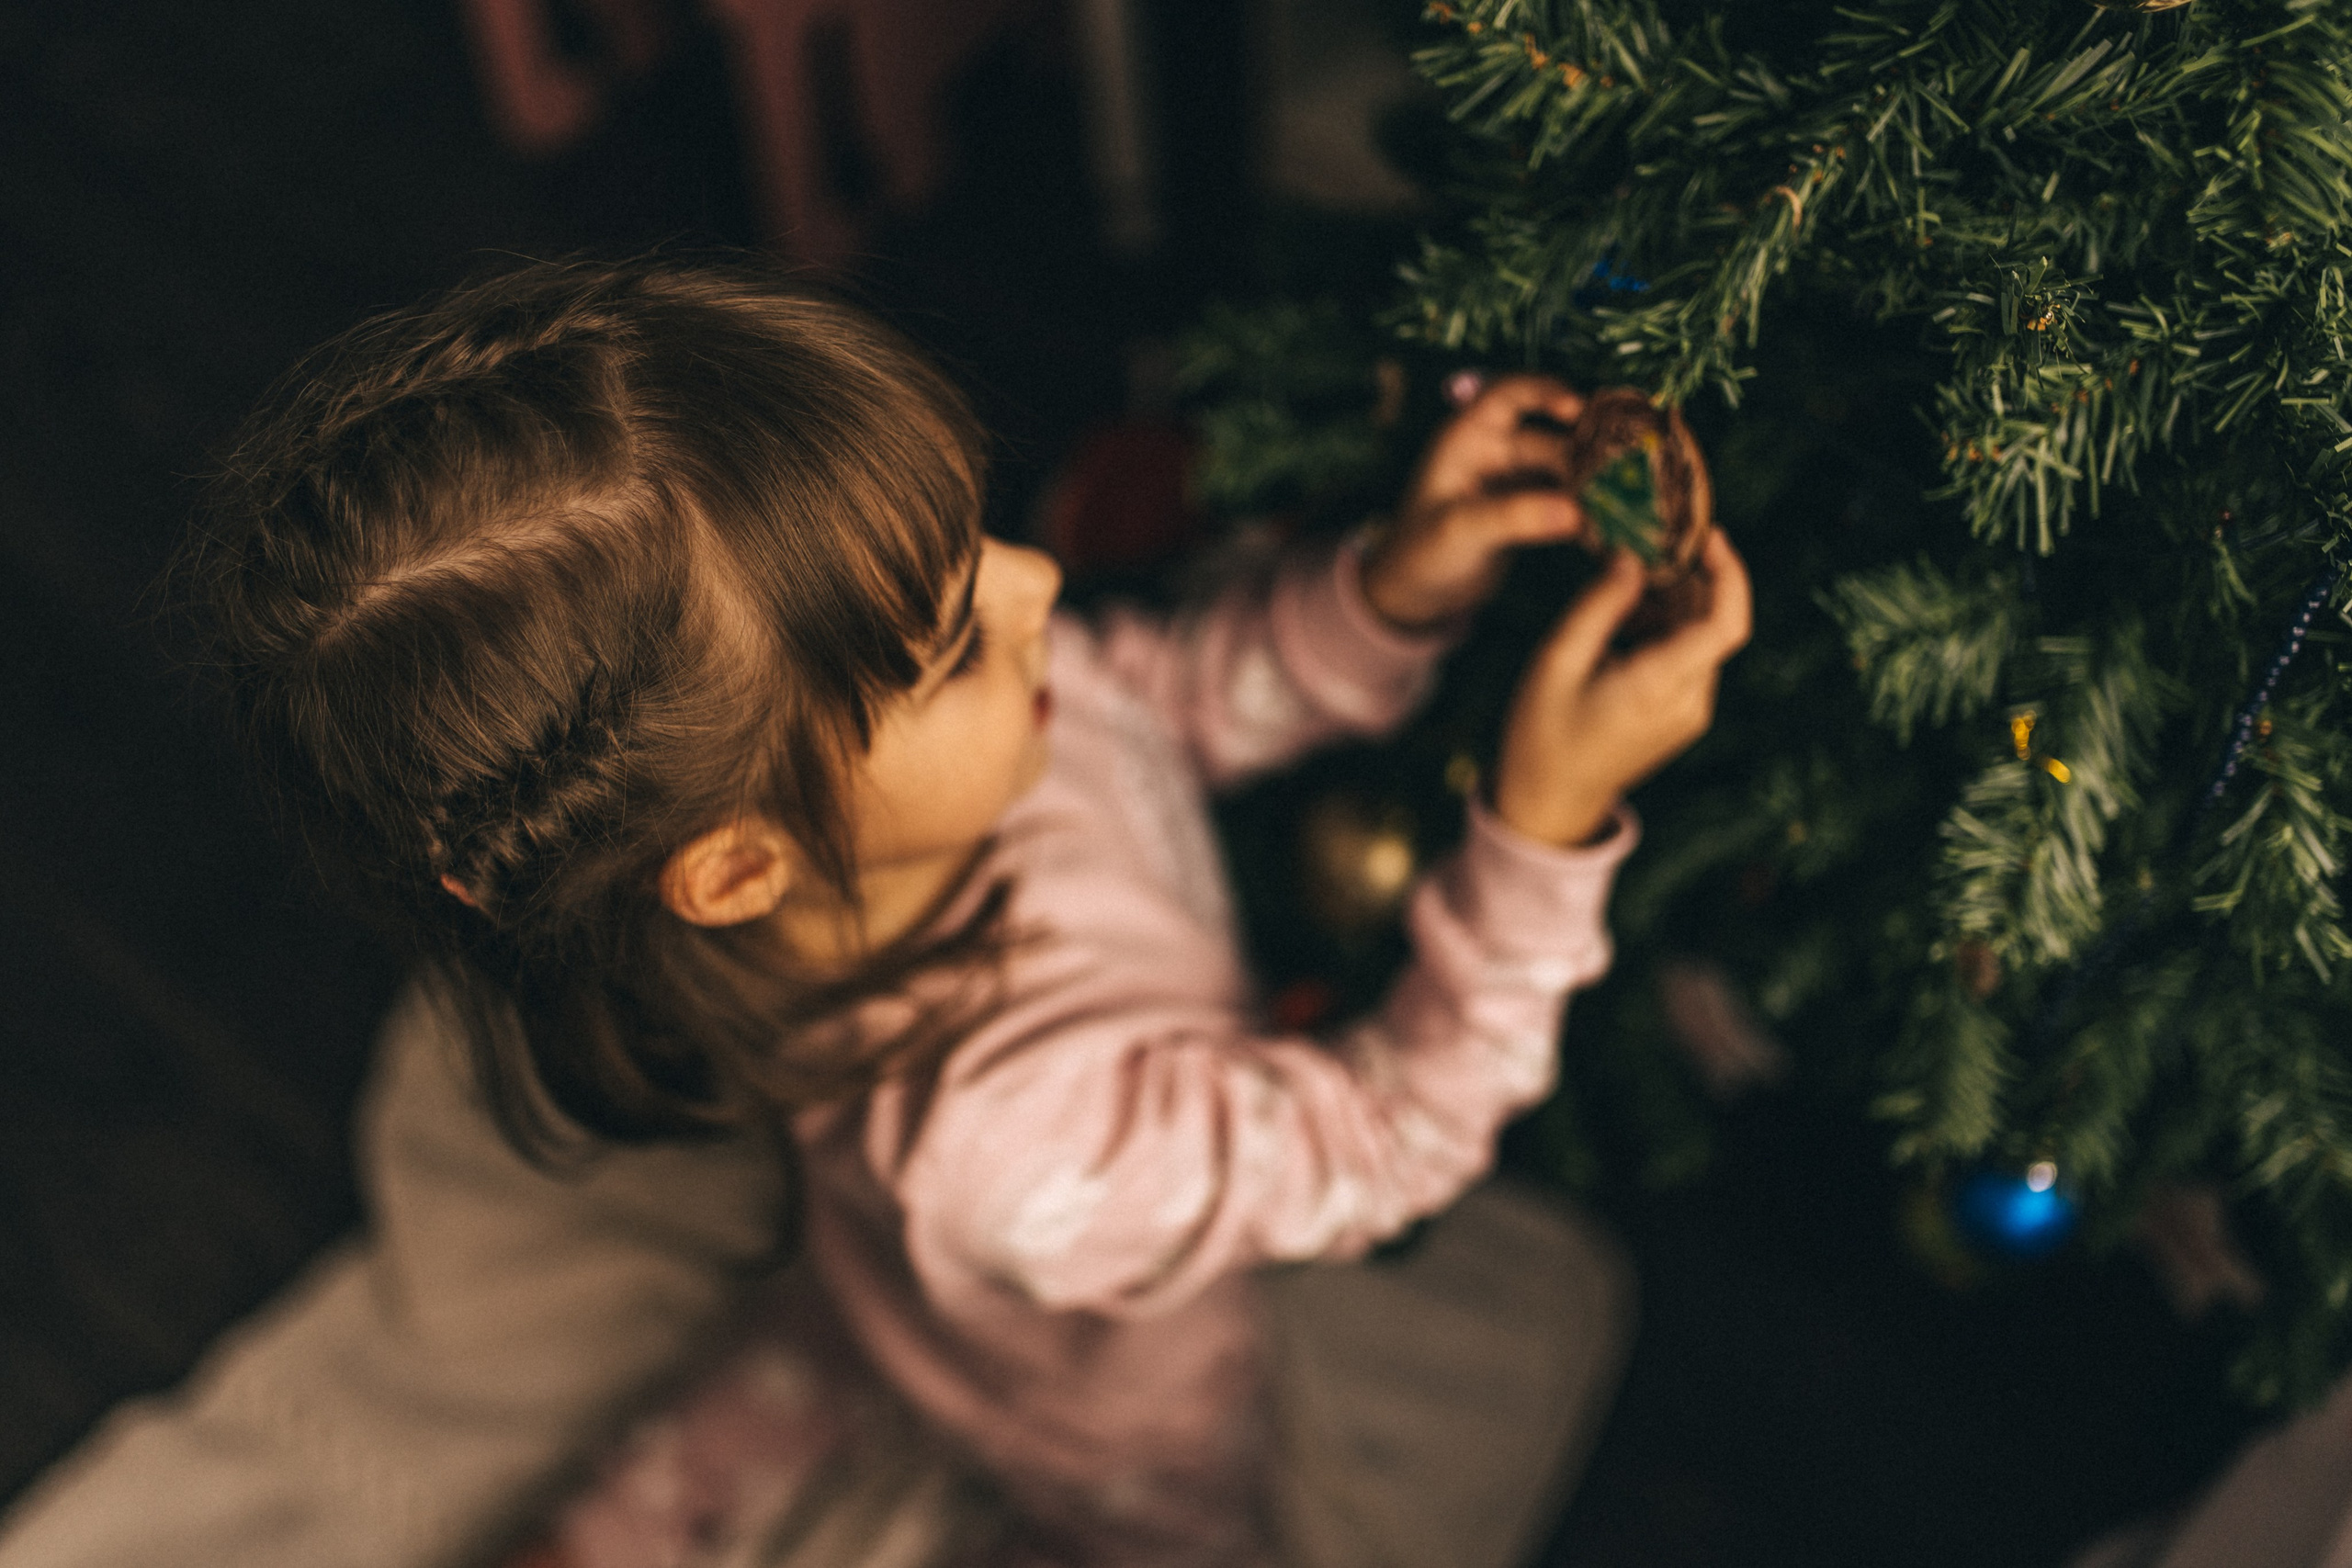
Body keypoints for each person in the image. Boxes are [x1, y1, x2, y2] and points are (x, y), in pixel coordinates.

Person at [0, 257, 1749, 1568]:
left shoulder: (931, 777)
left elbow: (1174, 698)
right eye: (947, 641)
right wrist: (1541, 823)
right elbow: (1384, 1137)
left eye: (977, 539)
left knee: (779, 1394)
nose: (1045, 582)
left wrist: (1388, 593)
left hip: (875, 1289)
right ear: (745, 864)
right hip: (1111, 1437)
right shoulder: (1026, 1145)